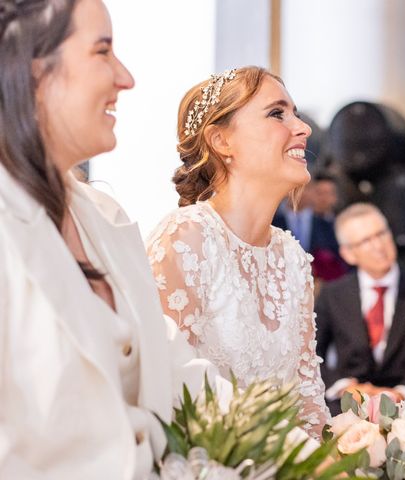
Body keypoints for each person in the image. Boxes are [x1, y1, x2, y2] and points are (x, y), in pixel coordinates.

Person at [0, 0, 207, 477]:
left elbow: (178, 371)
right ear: (33, 69)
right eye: (102, 52)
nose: (126, 78)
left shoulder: (105, 217)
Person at [146, 66, 330, 439]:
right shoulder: (186, 239)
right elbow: (165, 393)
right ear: (221, 140)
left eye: (295, 112)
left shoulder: (292, 258)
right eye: (277, 113)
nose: (303, 127)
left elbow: (309, 402)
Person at [315, 203, 405, 415]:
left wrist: (401, 393)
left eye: (381, 234)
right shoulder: (332, 295)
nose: (378, 245)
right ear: (348, 254)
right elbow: (311, 352)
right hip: (349, 406)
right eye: (365, 241)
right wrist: (344, 386)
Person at [273, 179, 345, 283]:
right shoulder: (272, 223)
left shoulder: (326, 225)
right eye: (295, 187)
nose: (300, 192)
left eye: (305, 188)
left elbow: (337, 259)